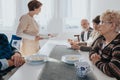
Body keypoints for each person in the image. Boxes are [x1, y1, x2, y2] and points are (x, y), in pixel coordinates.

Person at [89, 10, 120, 80]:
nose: (99, 25)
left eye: (102, 22)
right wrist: (93, 55)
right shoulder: (101, 39)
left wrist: (96, 62)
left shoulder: (118, 44)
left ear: (112, 25)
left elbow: (113, 70)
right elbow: (92, 49)